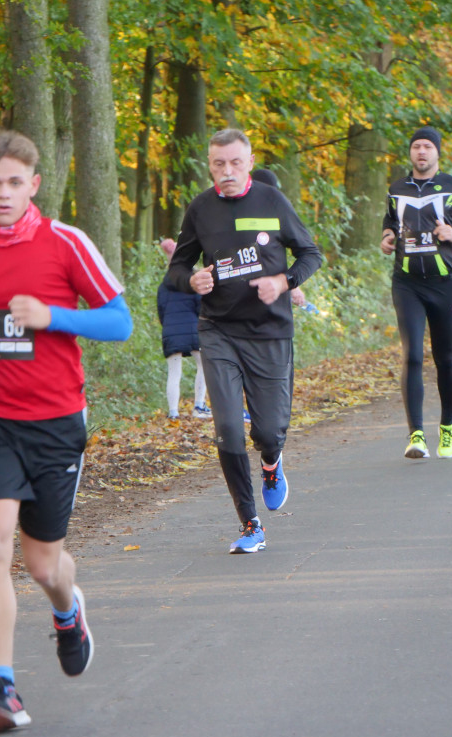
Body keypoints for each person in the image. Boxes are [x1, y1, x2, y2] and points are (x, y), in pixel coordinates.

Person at [0, 129, 133, 731]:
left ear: (34, 185)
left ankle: (68, 612)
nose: (3, 193)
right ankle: (3, 689)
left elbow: (119, 322)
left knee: (45, 565)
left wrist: (53, 317)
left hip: (54, 421)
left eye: (15, 182)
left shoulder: (65, 242)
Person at [166, 128, 321, 554]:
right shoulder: (200, 209)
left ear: (250, 161)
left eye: (235, 163)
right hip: (219, 331)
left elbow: (311, 254)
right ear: (210, 164)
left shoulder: (272, 201)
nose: (227, 172)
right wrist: (190, 279)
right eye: (219, 164)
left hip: (270, 331)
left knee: (269, 431)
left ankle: (271, 464)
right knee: (229, 429)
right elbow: (177, 268)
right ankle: (250, 524)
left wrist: (284, 281)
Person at [381, 127, 452, 459]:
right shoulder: (397, 189)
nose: (422, 152)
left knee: (445, 358)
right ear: (410, 153)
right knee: (412, 354)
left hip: (445, 283)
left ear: (437, 153)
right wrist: (387, 236)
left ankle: (447, 428)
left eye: (428, 146)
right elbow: (389, 221)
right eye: (416, 146)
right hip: (407, 282)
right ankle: (416, 435)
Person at [157, 238, 209, 419]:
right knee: (204, 365)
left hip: (171, 332)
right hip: (194, 330)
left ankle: (173, 412)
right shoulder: (192, 283)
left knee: (174, 372)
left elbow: (161, 310)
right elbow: (199, 307)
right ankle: (199, 406)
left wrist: (169, 327)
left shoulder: (163, 286)